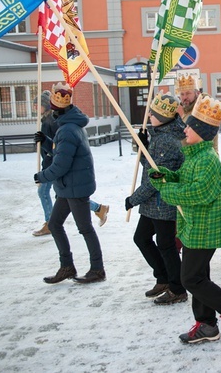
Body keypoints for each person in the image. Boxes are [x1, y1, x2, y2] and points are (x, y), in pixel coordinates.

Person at [149, 94, 221, 343]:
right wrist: (166, 176)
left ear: (202, 132)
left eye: (190, 126)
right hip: (193, 226)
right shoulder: (194, 155)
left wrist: (167, 190)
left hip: (204, 229)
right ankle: (206, 325)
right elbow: (185, 181)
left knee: (191, 279)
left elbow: (198, 193)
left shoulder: (208, 160)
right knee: (199, 277)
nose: (184, 129)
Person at [35, 82, 106, 284]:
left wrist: (41, 176)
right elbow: (62, 152)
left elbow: (61, 165)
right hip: (68, 186)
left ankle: (98, 269)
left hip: (75, 186)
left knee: (85, 228)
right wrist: (46, 141)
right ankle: (67, 266)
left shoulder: (67, 129)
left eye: (53, 110)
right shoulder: (68, 126)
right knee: (55, 224)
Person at [176, 74, 221, 259]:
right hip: (192, 162)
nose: (184, 97)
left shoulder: (200, 110)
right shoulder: (187, 110)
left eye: (187, 93)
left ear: (195, 92)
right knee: (217, 205)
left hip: (203, 162)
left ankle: (175, 247)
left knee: (196, 205)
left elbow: (193, 138)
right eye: (182, 93)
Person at [124, 91, 187, 305]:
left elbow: (156, 178)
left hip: (163, 202)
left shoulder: (167, 140)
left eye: (152, 112)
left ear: (161, 116)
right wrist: (143, 149)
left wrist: (134, 198)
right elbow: (149, 167)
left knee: (166, 244)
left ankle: (177, 288)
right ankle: (163, 278)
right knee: (141, 238)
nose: (148, 114)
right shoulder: (160, 135)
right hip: (153, 203)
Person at [33, 90, 110, 237]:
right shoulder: (51, 120)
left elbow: (62, 149)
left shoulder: (59, 124)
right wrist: (43, 141)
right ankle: (99, 209)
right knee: (70, 199)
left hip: (56, 166)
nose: (36, 108)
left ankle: (50, 223)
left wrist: (45, 173)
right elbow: (57, 144)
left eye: (37, 105)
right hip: (56, 167)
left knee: (82, 223)